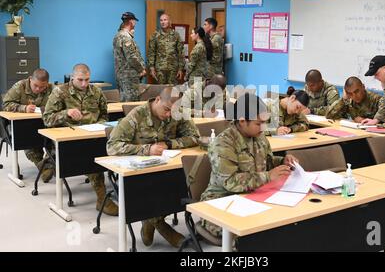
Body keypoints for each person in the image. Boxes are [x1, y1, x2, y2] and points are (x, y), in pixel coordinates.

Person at [106, 87, 200, 248]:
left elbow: (195, 137)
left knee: (181, 186)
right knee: (157, 191)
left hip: (166, 167)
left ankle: (152, 221)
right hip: (138, 174)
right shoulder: (137, 115)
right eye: (166, 109)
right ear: (157, 100)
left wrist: (170, 144)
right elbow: (112, 146)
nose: (169, 114)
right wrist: (146, 149)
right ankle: (159, 224)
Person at [200, 93, 299, 239]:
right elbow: (230, 182)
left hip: (254, 196)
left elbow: (267, 162)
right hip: (222, 200)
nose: (263, 127)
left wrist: (282, 161)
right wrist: (268, 176)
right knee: (251, 234)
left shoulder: (259, 136)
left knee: (285, 223)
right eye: (258, 123)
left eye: (265, 122)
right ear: (242, 121)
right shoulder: (223, 143)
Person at [43, 64, 118, 216]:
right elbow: (47, 119)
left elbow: (104, 114)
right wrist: (66, 113)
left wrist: (100, 124)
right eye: (80, 80)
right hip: (70, 139)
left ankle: (123, 190)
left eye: (87, 80)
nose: (84, 84)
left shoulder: (96, 91)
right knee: (91, 156)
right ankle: (102, 199)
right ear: (72, 77)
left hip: (93, 135)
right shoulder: (60, 92)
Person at [2, 68, 54, 182]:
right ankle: (44, 167)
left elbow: (60, 103)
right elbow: (5, 104)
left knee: (54, 137)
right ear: (30, 79)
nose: (38, 89)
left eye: (42, 87)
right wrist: (23, 108)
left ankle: (48, 165)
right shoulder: (20, 86)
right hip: (21, 124)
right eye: (36, 85)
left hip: (43, 123)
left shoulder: (51, 88)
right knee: (28, 139)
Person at [113, 12, 146, 102]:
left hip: (121, 75)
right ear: (132, 22)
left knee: (123, 102)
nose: (135, 24)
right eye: (134, 21)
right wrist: (141, 69)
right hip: (129, 77)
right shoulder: (126, 37)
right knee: (131, 104)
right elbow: (131, 57)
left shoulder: (117, 36)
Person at [147, 13, 184, 85]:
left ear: (169, 21)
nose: (163, 22)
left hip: (173, 69)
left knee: (172, 91)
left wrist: (180, 69)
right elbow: (151, 52)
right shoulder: (155, 35)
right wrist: (151, 68)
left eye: (165, 20)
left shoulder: (176, 35)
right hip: (160, 69)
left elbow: (181, 52)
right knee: (161, 91)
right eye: (161, 20)